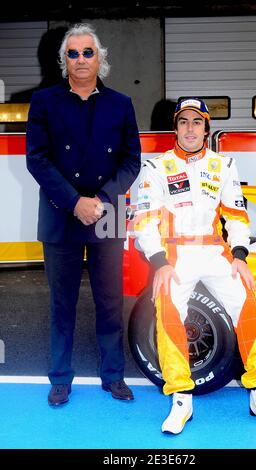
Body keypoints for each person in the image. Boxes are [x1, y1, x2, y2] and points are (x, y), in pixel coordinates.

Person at [134, 96, 256, 434]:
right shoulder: (156, 168)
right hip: (174, 255)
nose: (190, 128)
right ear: (175, 127)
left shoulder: (224, 165)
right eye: (184, 122)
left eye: (197, 122)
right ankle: (181, 399)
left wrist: (240, 255)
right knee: (169, 313)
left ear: (206, 128)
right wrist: (158, 261)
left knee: (248, 305)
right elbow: (144, 221)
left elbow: (235, 216)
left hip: (215, 250)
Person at [26, 23, 141, 406]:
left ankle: (114, 375)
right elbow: (37, 160)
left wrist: (102, 200)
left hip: (107, 212)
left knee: (110, 300)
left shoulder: (121, 103)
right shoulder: (44, 102)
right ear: (64, 60)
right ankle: (60, 377)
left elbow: (131, 161)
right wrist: (76, 202)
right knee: (63, 302)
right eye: (72, 53)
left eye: (87, 52)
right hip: (62, 213)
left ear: (100, 58)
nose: (80, 59)